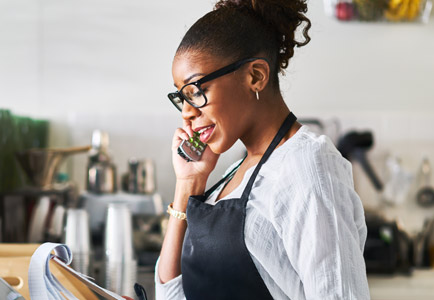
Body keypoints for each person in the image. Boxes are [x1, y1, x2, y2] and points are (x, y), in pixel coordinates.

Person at [154, 0, 370, 299]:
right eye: (182, 97)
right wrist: (188, 183)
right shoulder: (235, 172)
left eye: (197, 91)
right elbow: (172, 294)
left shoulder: (308, 167)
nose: (187, 113)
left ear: (255, 76)